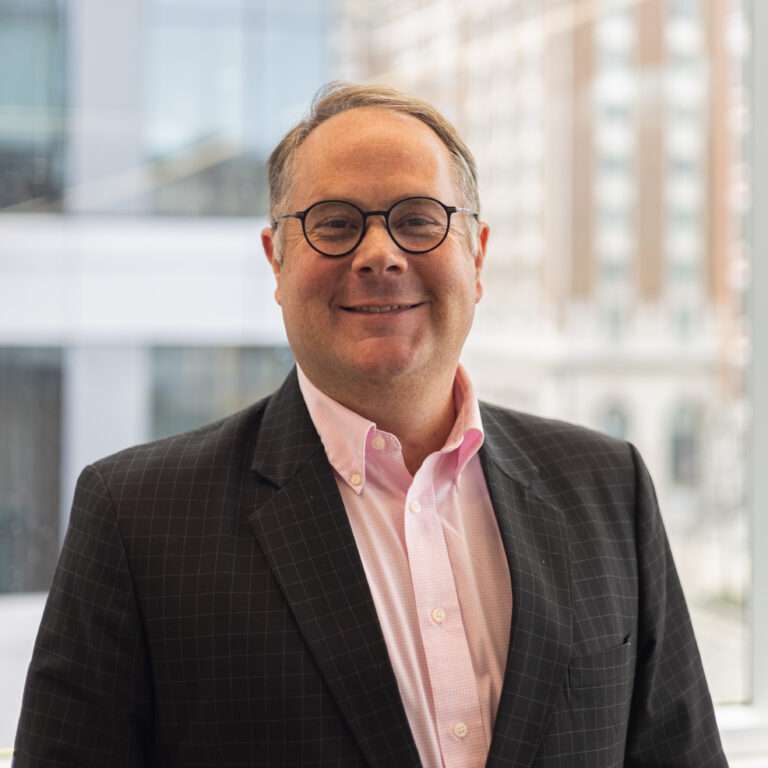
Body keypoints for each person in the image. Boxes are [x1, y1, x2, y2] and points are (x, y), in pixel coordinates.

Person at [14, 82, 728, 768]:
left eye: (419, 220)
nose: (380, 254)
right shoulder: (138, 517)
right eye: (335, 223)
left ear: (476, 257)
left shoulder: (608, 487)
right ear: (277, 259)